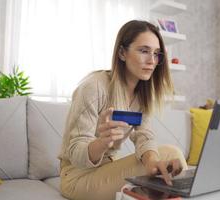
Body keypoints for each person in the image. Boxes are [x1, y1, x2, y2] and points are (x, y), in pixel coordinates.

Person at [58, 20, 188, 200]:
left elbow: (145, 136)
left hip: (108, 167)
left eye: (156, 54)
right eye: (144, 51)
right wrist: (102, 142)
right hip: (76, 177)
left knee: (172, 156)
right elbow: (75, 152)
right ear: (122, 53)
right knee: (170, 153)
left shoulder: (142, 94)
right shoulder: (94, 87)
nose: (152, 61)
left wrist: (151, 163)